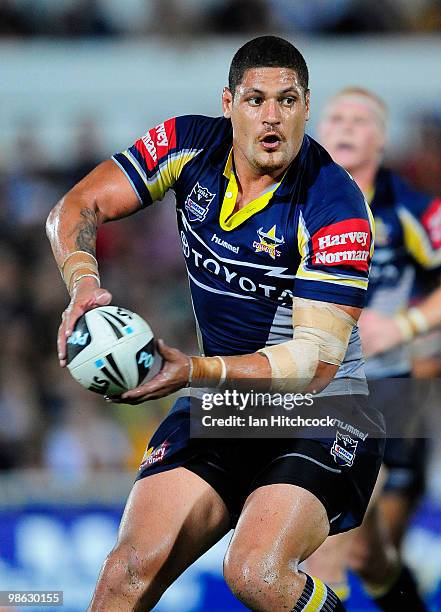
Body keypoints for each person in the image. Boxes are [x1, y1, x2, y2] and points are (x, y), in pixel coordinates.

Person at [46, 37, 384, 611]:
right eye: (256, 99)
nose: (271, 117)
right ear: (228, 103)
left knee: (255, 571)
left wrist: (192, 370)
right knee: (125, 572)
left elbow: (315, 364)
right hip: (225, 403)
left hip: (326, 411)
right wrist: (84, 286)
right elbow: (76, 209)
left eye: (287, 100)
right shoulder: (186, 145)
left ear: (307, 106)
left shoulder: (336, 206)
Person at [308, 86, 441, 611]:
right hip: (311, 387)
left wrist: (406, 324)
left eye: (359, 119)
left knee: (349, 549)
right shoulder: (291, 203)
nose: (344, 126)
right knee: (356, 551)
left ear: (381, 140)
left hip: (387, 389)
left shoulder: (411, 209)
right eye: (335, 116)